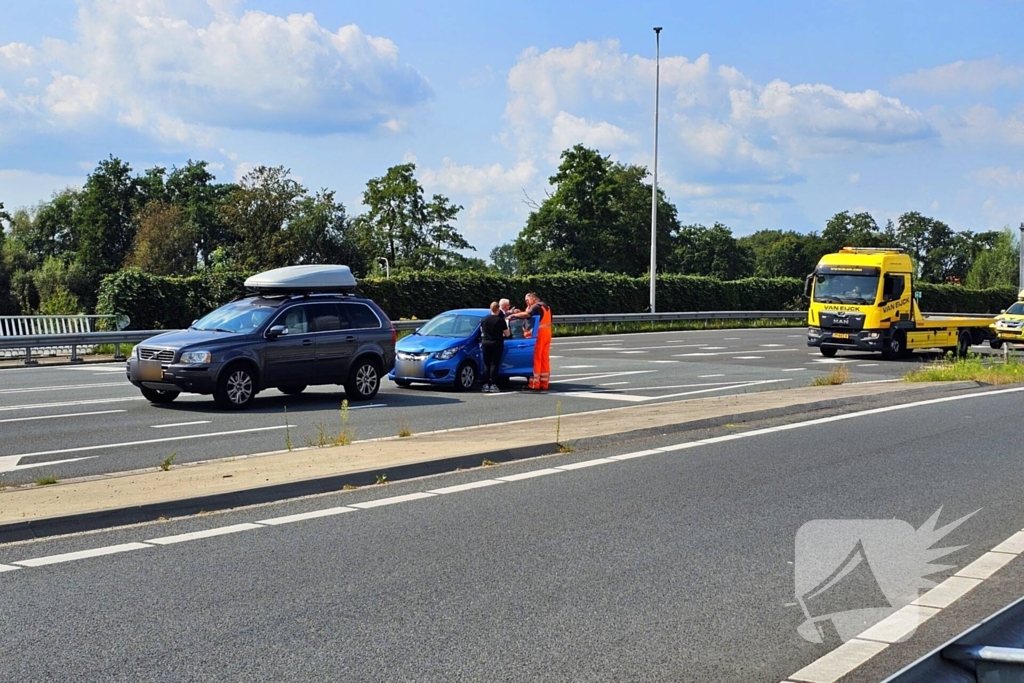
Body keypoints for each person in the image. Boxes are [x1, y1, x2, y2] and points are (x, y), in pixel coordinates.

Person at [510, 292, 552, 390]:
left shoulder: (536, 306)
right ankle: (544, 383)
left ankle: (534, 384)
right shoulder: (546, 307)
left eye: (527, 300)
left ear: (533, 298)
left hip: (539, 335)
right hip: (547, 334)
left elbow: (527, 315)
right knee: (544, 359)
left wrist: (514, 315)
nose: (527, 303)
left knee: (537, 359)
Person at [479, 301, 510, 393]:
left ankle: (485, 384)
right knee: (494, 364)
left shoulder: (484, 319)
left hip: (485, 342)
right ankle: (493, 384)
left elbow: (482, 331)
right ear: (498, 309)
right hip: (496, 343)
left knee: (486, 363)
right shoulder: (500, 320)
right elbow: (507, 334)